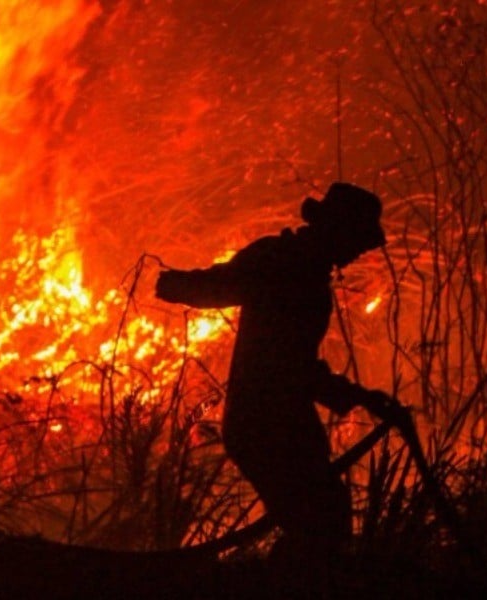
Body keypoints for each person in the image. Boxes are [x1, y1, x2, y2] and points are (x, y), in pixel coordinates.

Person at [155, 182, 400, 578]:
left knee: (322, 520)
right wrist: (179, 285)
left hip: (280, 422)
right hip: (265, 424)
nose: (358, 252)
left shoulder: (298, 267)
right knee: (321, 523)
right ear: (336, 231)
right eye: (356, 240)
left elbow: (295, 363)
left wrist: (363, 398)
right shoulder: (284, 264)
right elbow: (227, 291)